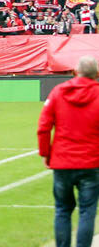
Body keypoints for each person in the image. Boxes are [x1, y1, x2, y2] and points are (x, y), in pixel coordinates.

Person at [39, 56, 99, 247]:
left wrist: (45, 153)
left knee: (63, 210)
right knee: (87, 211)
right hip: (91, 163)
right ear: (97, 74)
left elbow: (43, 127)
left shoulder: (58, 92)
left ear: (75, 71)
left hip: (62, 161)